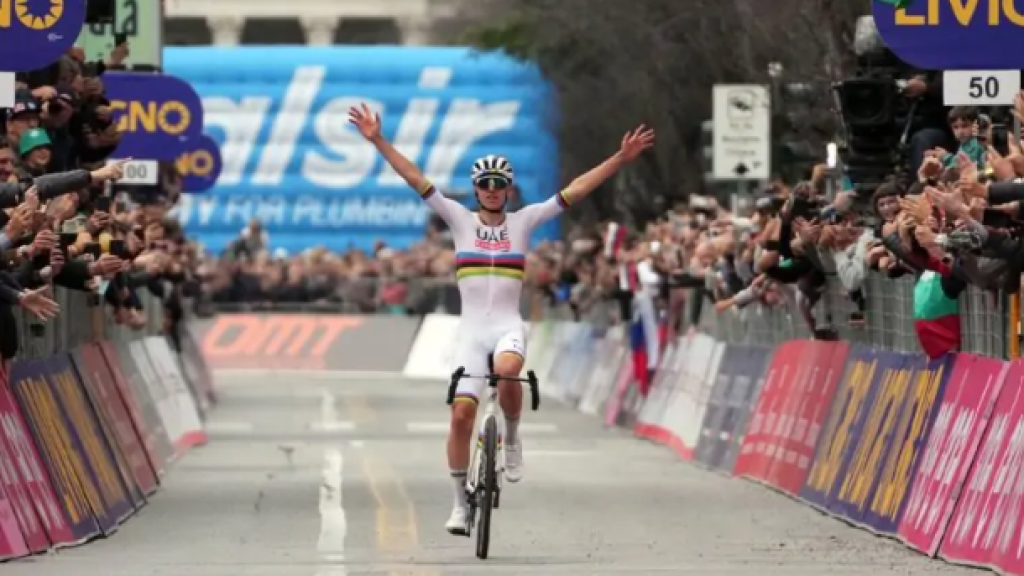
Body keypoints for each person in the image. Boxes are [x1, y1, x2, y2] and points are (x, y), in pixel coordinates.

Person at [348, 103, 655, 535]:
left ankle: (511, 436)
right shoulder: (458, 219)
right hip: (471, 333)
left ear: (509, 191)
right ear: (476, 189)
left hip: (507, 326)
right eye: (486, 184)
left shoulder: (526, 221)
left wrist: (620, 160)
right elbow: (415, 177)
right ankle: (458, 505)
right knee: (460, 417)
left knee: (509, 371)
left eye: (500, 185)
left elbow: (576, 190)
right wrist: (378, 140)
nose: (492, 190)